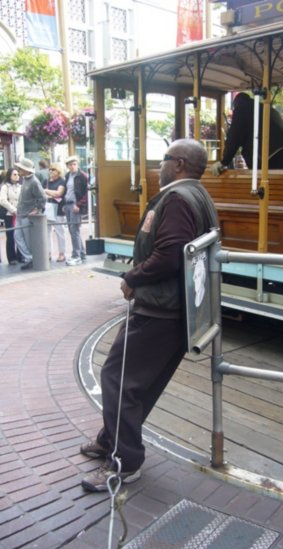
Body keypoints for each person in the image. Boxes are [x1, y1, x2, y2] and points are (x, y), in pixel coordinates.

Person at [80, 138, 219, 492]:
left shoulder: (176, 199)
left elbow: (171, 254)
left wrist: (132, 278)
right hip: (179, 310)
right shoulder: (198, 194)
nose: (159, 167)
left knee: (117, 378)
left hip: (158, 310)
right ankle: (110, 440)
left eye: (164, 160)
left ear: (181, 164)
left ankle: (124, 463)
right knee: (135, 383)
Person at [211, 92, 283, 175]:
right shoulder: (262, 106)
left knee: (271, 179)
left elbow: (234, 138)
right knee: (280, 176)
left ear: (236, 104)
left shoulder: (241, 109)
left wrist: (224, 162)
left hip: (272, 151)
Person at [14, 158, 47, 270]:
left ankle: (31, 259)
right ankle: (29, 258)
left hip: (27, 215)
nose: (18, 170)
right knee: (17, 236)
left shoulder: (34, 181)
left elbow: (43, 197)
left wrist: (37, 209)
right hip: (21, 214)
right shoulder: (26, 180)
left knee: (27, 240)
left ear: (25, 170)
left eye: (20, 168)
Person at [63, 155, 88, 266]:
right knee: (72, 230)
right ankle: (81, 254)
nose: (72, 166)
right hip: (68, 204)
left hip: (75, 205)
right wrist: (64, 204)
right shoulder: (68, 175)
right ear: (67, 166)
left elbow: (87, 192)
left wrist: (79, 205)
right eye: (70, 165)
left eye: (74, 164)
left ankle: (76, 255)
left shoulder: (82, 176)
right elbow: (67, 191)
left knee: (74, 230)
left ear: (77, 165)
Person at [0, 167, 22, 265]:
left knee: (20, 235)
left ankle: (21, 255)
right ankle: (11, 257)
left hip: (20, 214)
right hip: (10, 214)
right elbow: (3, 200)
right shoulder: (5, 187)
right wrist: (13, 210)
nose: (17, 176)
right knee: (10, 236)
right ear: (10, 176)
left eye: (18, 174)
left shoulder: (20, 186)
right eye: (14, 174)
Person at [44, 163, 66, 262]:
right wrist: (52, 193)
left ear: (58, 171)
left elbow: (59, 193)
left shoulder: (62, 181)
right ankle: (48, 253)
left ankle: (62, 253)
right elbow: (41, 192)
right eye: (50, 169)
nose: (51, 171)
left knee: (59, 232)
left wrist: (47, 191)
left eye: (53, 169)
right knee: (46, 232)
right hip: (47, 209)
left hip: (58, 209)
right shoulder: (46, 181)